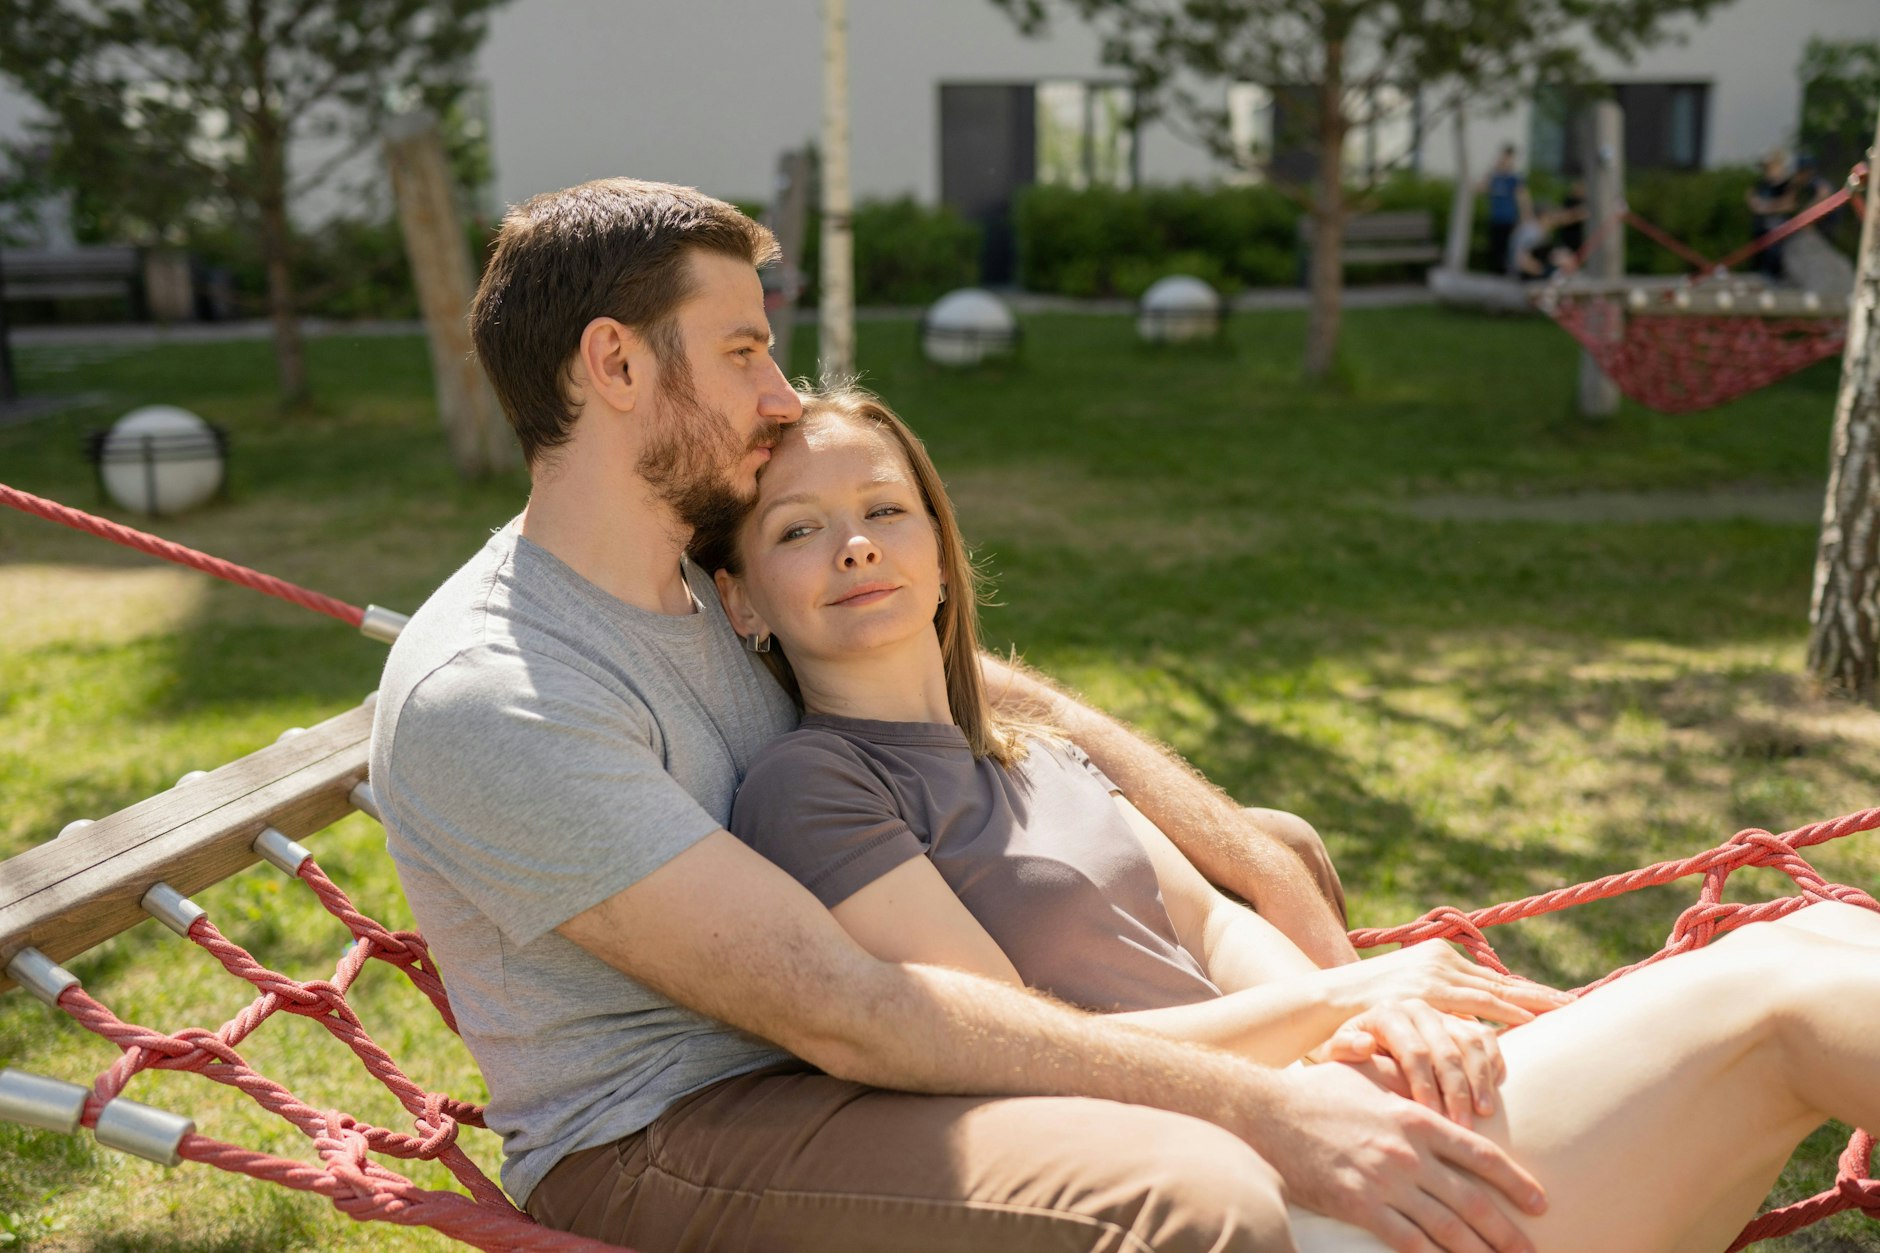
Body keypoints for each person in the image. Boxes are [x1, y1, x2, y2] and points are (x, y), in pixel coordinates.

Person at [371, 177, 1554, 1253]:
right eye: (742, 352)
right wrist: (1272, 1092)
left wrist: (1252, 853)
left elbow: (975, 676)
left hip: (832, 1060)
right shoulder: (500, 690)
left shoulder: (692, 575)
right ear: (615, 365)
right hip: (670, 1127)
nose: (779, 398)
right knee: (1187, 1195)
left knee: (1275, 858)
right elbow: (851, 1009)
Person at [702, 384, 1880, 1253]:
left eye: (881, 508)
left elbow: (1214, 929)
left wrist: (1357, 1035)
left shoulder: (1031, 750)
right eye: (796, 529)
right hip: (1266, 1198)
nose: (852, 541)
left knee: (1806, 944)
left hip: (1336, 1116)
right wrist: (1343, 998)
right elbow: (1005, 1054)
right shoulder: (815, 784)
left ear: (942, 554)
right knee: (1771, 983)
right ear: (743, 599)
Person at [1746, 149, 1798, 282]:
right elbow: (1752, 201)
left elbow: (1789, 203)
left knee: (1775, 259)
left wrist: (1767, 206)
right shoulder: (1761, 185)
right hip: (1761, 230)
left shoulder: (1787, 185)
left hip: (1779, 232)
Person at [1479, 146, 1530, 276]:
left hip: (1508, 219)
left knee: (1506, 250)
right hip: (1495, 218)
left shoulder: (1514, 178)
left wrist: (1525, 216)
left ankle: (1505, 275)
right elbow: (1481, 188)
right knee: (1494, 249)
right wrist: (1491, 170)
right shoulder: (1494, 176)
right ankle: (1494, 275)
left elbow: (1522, 197)